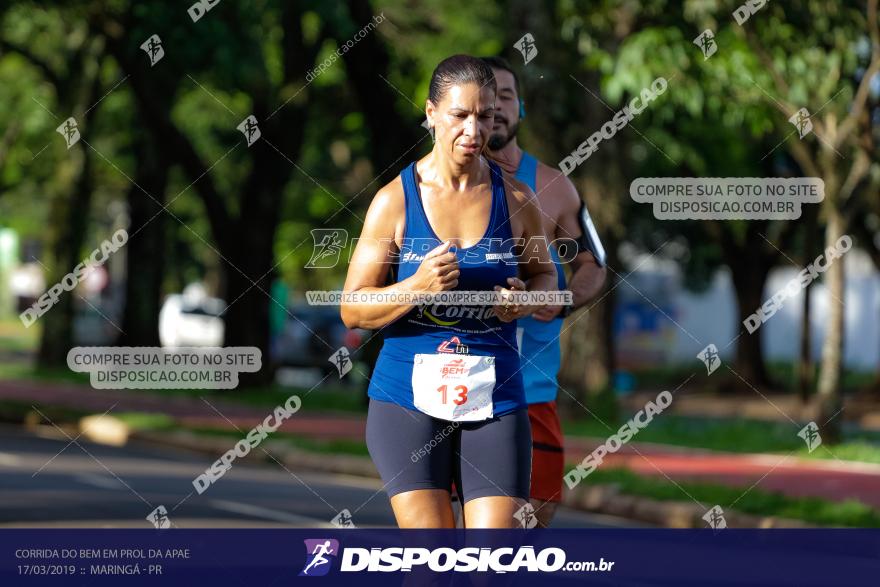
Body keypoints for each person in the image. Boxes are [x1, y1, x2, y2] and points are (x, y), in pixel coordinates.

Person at [341, 54, 557, 529]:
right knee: (431, 565)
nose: (473, 130)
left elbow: (547, 279)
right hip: (407, 399)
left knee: (491, 565)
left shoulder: (518, 199)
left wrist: (524, 299)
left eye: (485, 115)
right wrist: (416, 285)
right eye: (460, 115)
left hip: (495, 396)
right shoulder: (394, 201)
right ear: (431, 113)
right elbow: (353, 308)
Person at [482, 56, 608, 527]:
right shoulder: (437, 185)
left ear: (522, 109)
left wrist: (565, 299)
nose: (495, 107)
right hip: (451, 386)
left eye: (507, 96)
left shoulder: (554, 186)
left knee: (531, 523)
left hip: (531, 389)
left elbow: (593, 263)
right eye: (486, 97)